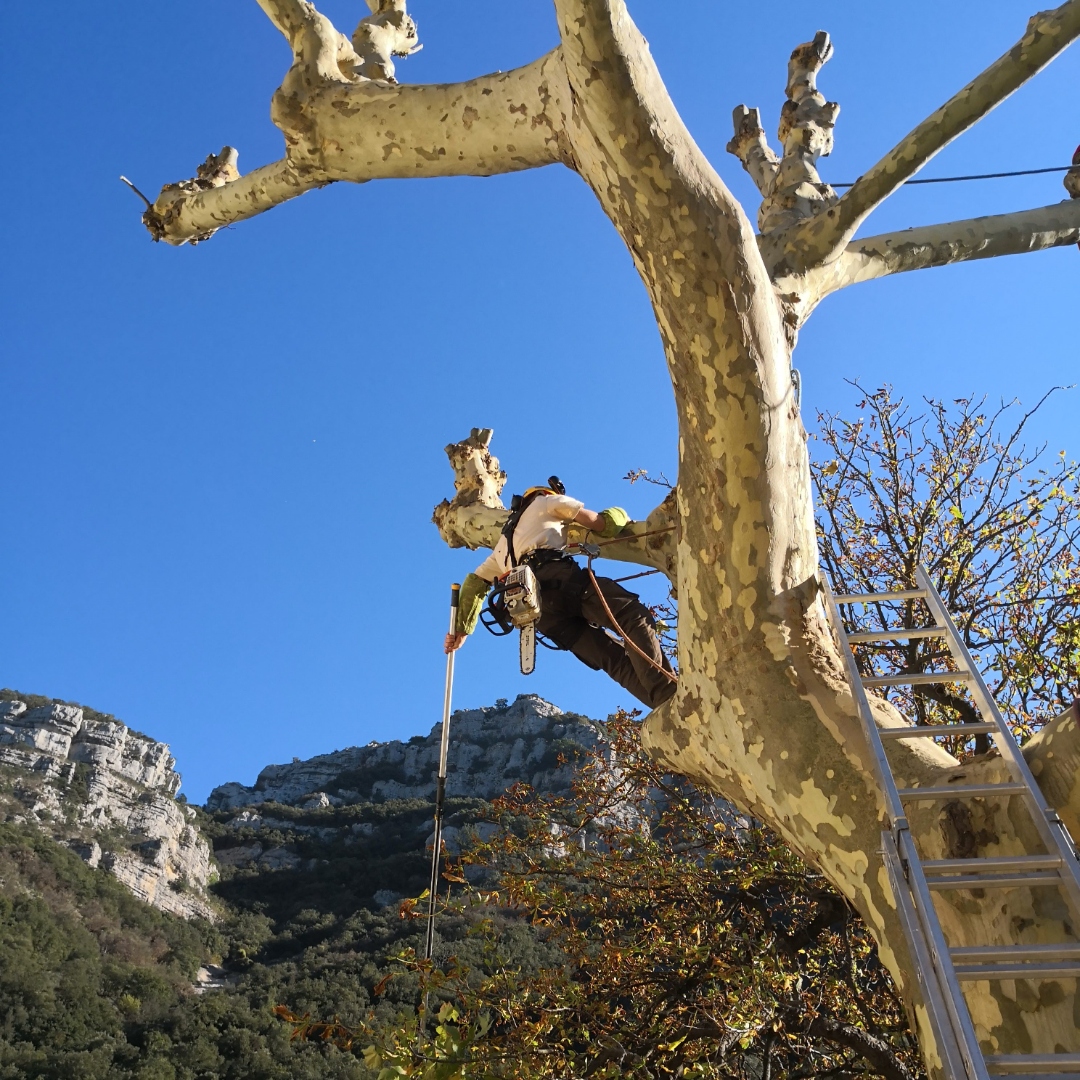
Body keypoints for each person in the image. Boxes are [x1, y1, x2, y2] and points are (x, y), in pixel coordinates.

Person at [443, 479, 677, 709]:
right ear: (543, 493)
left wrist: (462, 629)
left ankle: (665, 706)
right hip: (560, 581)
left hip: (540, 615)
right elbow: (601, 524)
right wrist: (619, 515)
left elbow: (475, 583)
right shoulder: (545, 502)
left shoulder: (503, 544)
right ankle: (667, 692)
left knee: (611, 659)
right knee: (631, 615)